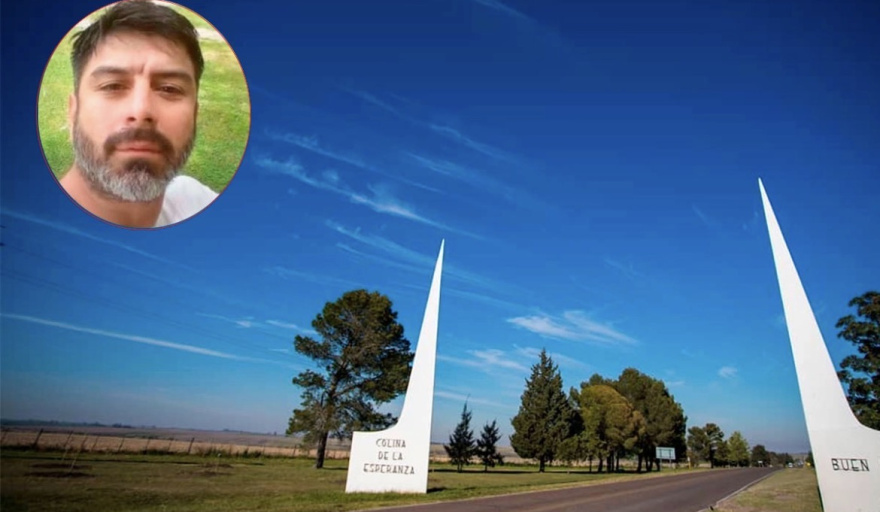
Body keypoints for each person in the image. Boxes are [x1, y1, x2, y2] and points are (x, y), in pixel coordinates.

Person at [58, 0, 219, 228]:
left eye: (169, 89)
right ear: (73, 112)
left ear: (194, 114)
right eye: (112, 86)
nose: (141, 110)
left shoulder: (195, 200)